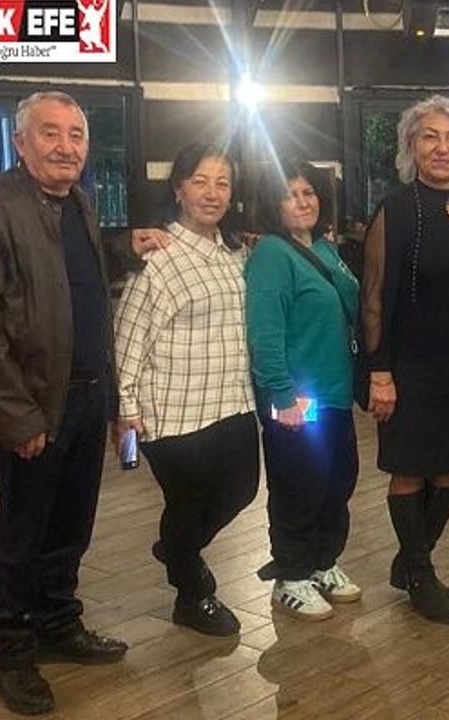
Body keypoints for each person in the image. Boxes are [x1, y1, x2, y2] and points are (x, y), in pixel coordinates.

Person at [0, 90, 166, 716]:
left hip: (86, 398)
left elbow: (71, 279)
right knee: (23, 531)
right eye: (51, 133)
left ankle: (58, 622)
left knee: (71, 524)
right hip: (31, 407)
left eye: (76, 134)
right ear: (21, 142)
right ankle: (13, 650)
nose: (66, 146)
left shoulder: (79, 204)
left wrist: (125, 247)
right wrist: (18, 417)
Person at [112, 143, 259, 638]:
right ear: (178, 189)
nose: (212, 193)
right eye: (200, 181)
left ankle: (177, 547)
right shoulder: (157, 256)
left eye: (222, 183)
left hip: (233, 400)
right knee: (188, 502)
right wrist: (126, 409)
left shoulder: (235, 254)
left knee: (242, 490)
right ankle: (192, 593)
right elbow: (129, 338)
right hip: (172, 409)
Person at [361, 94, 449, 625]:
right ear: (411, 146)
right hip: (409, 367)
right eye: (430, 137)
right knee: (411, 469)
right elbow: (373, 298)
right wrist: (380, 371)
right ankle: (418, 573)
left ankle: (412, 560)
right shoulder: (395, 209)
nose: (442, 148)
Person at [246, 160, 363, 621]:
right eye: (289, 194)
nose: (302, 201)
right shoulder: (272, 255)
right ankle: (291, 576)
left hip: (333, 392)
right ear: (272, 205)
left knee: (337, 479)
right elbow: (265, 331)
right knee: (299, 483)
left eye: (308, 192)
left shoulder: (324, 248)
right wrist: (280, 394)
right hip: (296, 398)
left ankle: (321, 562)